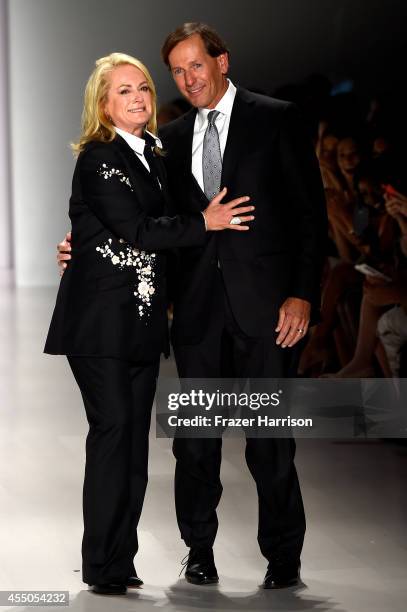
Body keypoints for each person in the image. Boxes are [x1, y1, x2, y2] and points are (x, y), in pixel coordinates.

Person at [58, 24, 327, 589]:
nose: (188, 78)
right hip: (197, 315)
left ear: (222, 61)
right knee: (196, 444)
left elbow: (309, 215)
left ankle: (283, 555)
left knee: (270, 440)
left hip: (266, 311)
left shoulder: (276, 117)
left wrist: (303, 294)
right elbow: (145, 221)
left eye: (195, 66)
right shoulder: (169, 140)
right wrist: (84, 247)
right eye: (177, 71)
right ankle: (198, 550)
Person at [45, 51, 254, 596]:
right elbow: (138, 228)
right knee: (114, 435)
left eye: (142, 87)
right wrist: (203, 221)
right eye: (123, 91)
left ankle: (119, 559)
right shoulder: (99, 158)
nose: (138, 97)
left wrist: (81, 243)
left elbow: (140, 231)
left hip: (138, 326)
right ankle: (102, 562)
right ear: (103, 104)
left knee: (132, 443)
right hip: (98, 326)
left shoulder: (154, 155)